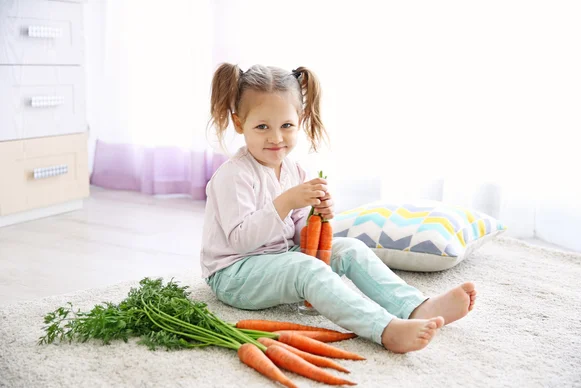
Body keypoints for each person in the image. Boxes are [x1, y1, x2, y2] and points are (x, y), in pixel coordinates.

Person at [201, 63, 477, 353]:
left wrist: (315, 218)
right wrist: (286, 202)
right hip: (235, 274)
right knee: (305, 268)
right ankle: (384, 329)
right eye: (262, 127)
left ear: (301, 119)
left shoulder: (293, 171)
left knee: (350, 249)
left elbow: (296, 237)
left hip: (279, 259)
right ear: (239, 123)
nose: (276, 138)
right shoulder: (233, 176)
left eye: (286, 126)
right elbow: (241, 240)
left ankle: (416, 306)